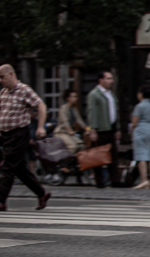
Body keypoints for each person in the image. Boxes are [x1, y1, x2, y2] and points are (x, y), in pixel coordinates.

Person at [0, 64, 51, 211]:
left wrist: (40, 126)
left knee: (8, 166)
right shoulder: (3, 92)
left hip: (19, 133)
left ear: (11, 74)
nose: (0, 80)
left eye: (2, 77)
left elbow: (41, 105)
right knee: (19, 168)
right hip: (5, 134)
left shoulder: (24, 90)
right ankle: (42, 193)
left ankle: (1, 200)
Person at [87, 71, 122, 188]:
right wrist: (93, 129)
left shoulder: (110, 94)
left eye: (111, 78)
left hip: (111, 128)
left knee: (113, 156)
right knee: (98, 156)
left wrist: (117, 128)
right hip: (100, 129)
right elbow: (92, 112)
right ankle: (100, 181)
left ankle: (115, 180)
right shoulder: (95, 94)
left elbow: (115, 111)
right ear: (101, 80)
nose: (111, 81)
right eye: (108, 78)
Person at [131, 86, 150, 189]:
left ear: (141, 94)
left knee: (141, 155)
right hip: (149, 128)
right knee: (149, 155)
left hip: (140, 129)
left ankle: (144, 180)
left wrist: (131, 131)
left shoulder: (139, 106)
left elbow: (134, 122)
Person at [56, 89, 88, 153]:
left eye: (76, 96)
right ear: (68, 98)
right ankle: (66, 161)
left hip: (70, 133)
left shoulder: (74, 109)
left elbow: (80, 121)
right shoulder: (63, 108)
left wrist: (88, 129)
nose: (76, 98)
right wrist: (70, 131)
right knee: (73, 146)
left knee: (82, 146)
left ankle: (77, 162)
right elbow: (65, 121)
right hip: (61, 132)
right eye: (74, 96)